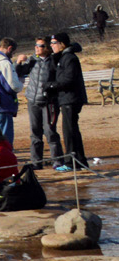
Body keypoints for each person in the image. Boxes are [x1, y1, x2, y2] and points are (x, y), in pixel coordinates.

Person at [46, 32, 89, 172]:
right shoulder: (61, 57)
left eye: (54, 43)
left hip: (71, 98)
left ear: (62, 44)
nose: (51, 46)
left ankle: (71, 162)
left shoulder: (69, 58)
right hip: (65, 98)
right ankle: (80, 161)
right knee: (72, 130)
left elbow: (68, 80)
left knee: (69, 131)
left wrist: (51, 85)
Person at [17, 38, 62, 169]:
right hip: (33, 101)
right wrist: (19, 62)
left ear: (47, 48)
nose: (37, 48)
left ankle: (58, 161)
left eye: (40, 46)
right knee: (35, 133)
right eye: (36, 45)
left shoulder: (54, 61)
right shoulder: (33, 60)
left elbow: (60, 79)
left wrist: (50, 90)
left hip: (49, 102)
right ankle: (36, 162)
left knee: (50, 132)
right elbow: (19, 72)